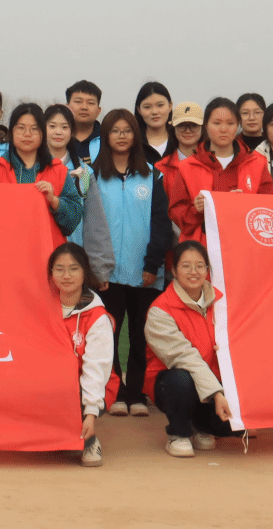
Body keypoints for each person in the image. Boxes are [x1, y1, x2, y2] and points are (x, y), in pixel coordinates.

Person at [93, 108, 186, 418]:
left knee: (140, 335)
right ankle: (116, 393)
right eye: (115, 131)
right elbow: (89, 225)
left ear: (136, 135)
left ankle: (136, 394)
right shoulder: (92, 175)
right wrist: (97, 268)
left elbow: (161, 223)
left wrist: (152, 264)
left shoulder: (152, 175)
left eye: (127, 130)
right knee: (108, 333)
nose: (121, 136)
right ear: (105, 136)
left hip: (145, 272)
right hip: (106, 274)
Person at [144, 241, 235, 458]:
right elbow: (185, 357)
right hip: (175, 383)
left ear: (207, 270)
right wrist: (217, 394)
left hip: (214, 382)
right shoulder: (160, 310)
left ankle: (202, 426)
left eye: (200, 266)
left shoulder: (222, 303)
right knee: (181, 379)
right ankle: (179, 433)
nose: (194, 272)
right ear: (174, 271)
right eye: (186, 266)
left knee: (235, 427)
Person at [49, 242, 113, 467]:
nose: (66, 276)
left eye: (74, 269)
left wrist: (90, 413)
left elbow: (96, 369)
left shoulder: (97, 317)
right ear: (51, 273)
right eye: (59, 269)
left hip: (88, 388)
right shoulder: (42, 309)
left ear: (85, 272)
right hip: (53, 384)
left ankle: (89, 440)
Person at [174, 100, 273, 239]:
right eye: (217, 123)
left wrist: (247, 204)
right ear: (206, 126)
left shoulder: (256, 163)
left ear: (238, 125)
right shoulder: (187, 167)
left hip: (244, 243)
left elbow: (269, 209)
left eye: (230, 123)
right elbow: (176, 215)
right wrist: (195, 209)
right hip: (201, 248)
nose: (223, 129)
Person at [0, 104, 85, 234]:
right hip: (3, 245)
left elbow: (75, 219)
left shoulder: (59, 171)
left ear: (43, 133)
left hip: (48, 246)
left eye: (34, 129)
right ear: (11, 131)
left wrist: (54, 201)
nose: (27, 134)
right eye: (21, 128)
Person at [46, 104, 115, 280]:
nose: (58, 132)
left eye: (64, 127)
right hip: (38, 254)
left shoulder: (84, 173)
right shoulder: (32, 169)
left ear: (72, 132)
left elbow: (94, 224)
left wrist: (100, 269)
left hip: (72, 260)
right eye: (52, 126)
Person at [134, 82, 173, 165]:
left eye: (160, 105)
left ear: (170, 106)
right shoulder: (132, 141)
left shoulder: (180, 139)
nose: (154, 112)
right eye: (147, 107)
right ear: (139, 110)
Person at [66, 81, 104, 159]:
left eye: (90, 103)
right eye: (78, 102)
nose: (84, 107)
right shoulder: (55, 137)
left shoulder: (107, 139)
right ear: (67, 107)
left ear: (98, 110)